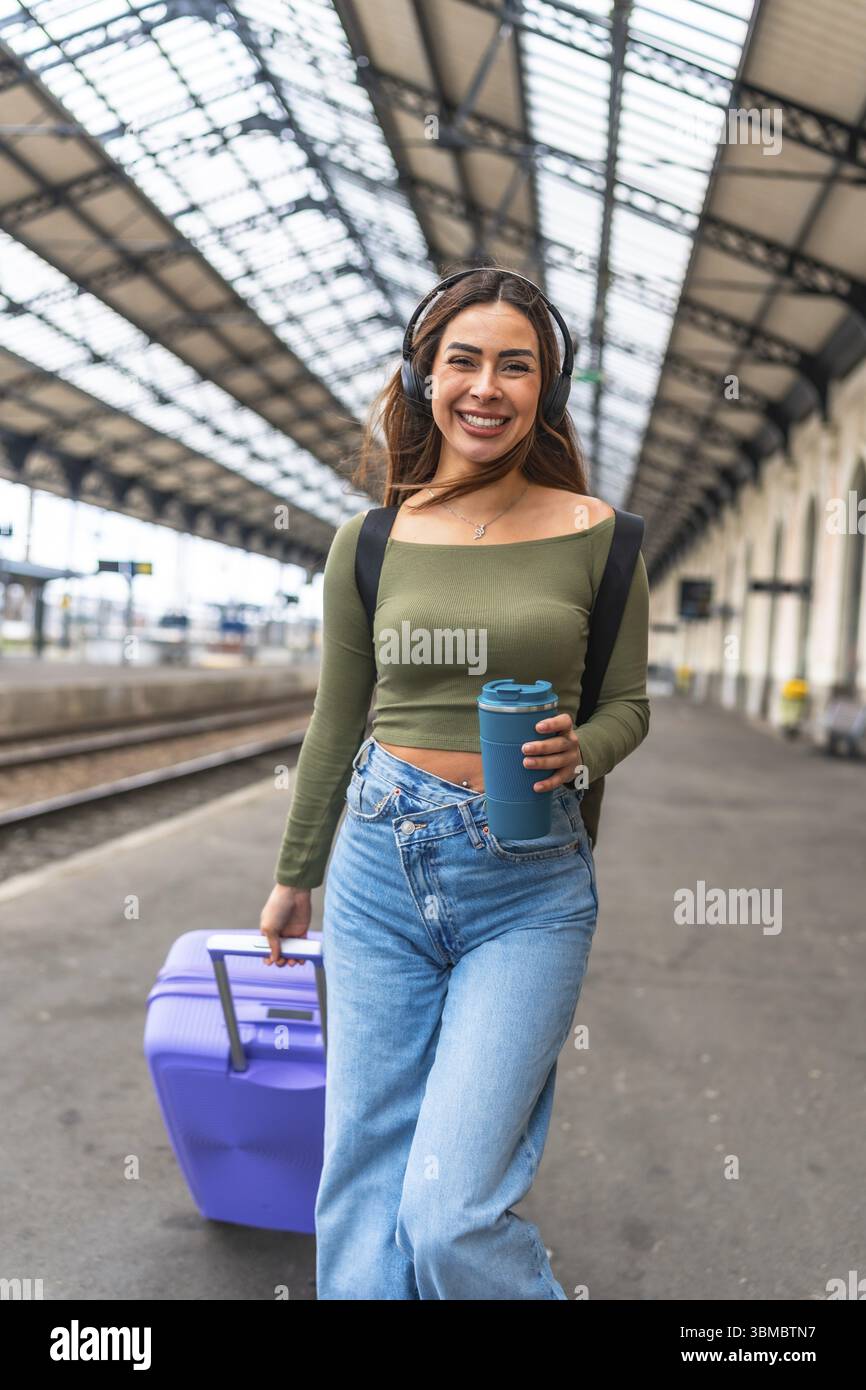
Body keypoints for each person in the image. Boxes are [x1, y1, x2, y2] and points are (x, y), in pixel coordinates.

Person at [259, 265, 651, 1299]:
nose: (485, 386)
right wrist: (294, 871)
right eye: (461, 361)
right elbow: (335, 719)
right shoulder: (370, 543)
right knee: (362, 1177)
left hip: (526, 887)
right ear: (422, 380)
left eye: (513, 366)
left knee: (448, 1214)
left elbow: (627, 705)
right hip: (376, 875)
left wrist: (585, 750)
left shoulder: (600, 536)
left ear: (546, 392)